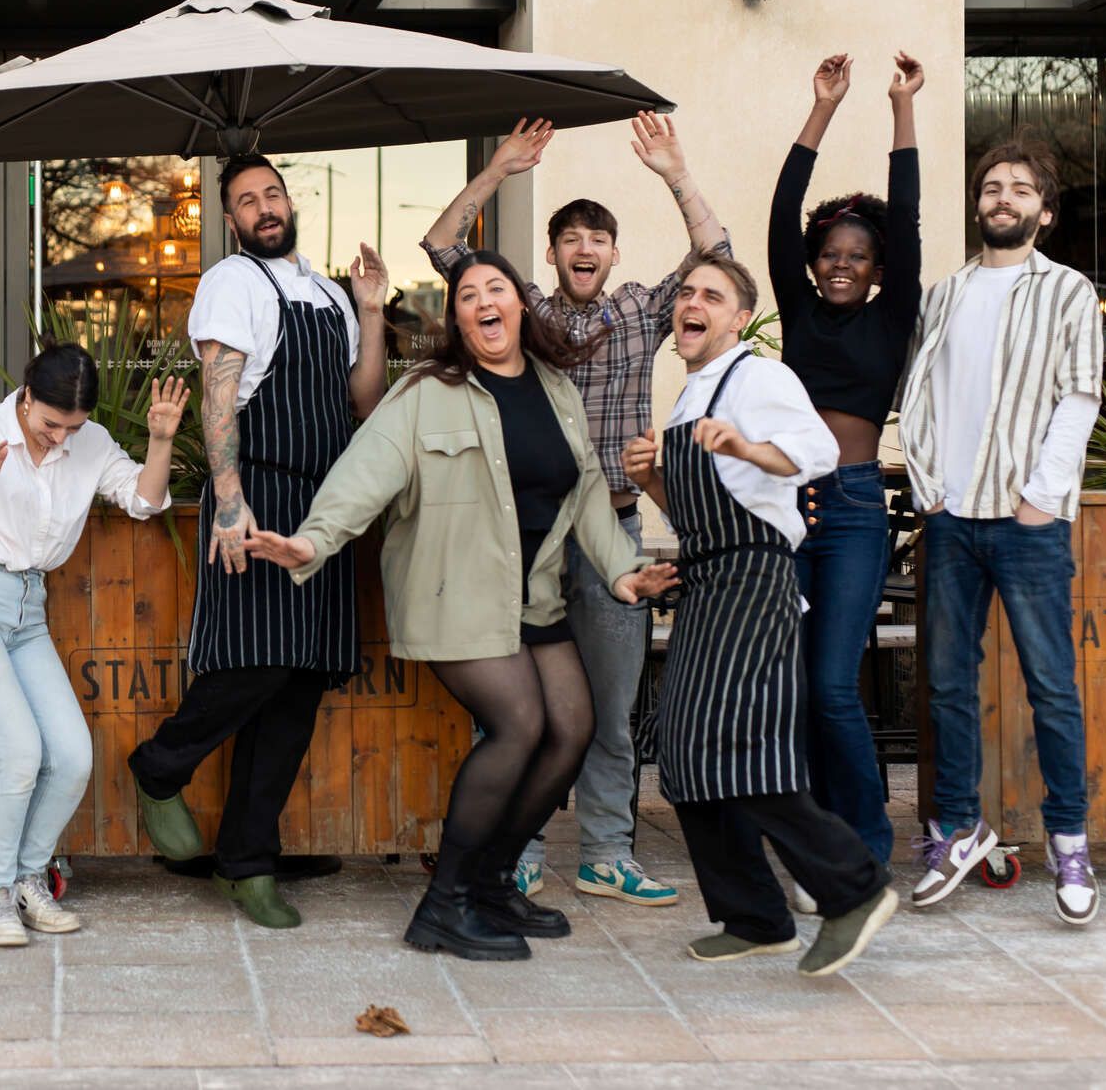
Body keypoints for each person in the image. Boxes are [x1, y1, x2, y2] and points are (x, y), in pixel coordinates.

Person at [247, 252, 676, 961]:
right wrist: (312, 540)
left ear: (519, 307)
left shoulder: (555, 385)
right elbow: (365, 468)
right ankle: (444, 903)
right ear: (458, 319)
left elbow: (588, 492)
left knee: (572, 728)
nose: (483, 301)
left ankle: (492, 881)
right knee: (520, 724)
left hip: (532, 594)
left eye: (496, 289)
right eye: (467, 294)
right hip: (455, 594)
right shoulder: (426, 390)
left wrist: (626, 572)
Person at [421, 111, 730, 907]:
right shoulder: (520, 308)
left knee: (611, 709)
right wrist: (498, 169)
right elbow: (442, 243)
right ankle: (515, 849)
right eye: (571, 239)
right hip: (527, 540)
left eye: (598, 239)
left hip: (614, 534)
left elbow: (719, 260)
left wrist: (675, 170)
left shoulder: (636, 312)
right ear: (553, 254)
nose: (585, 250)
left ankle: (603, 853)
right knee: (518, 710)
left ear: (614, 253)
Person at [128, 153, 388, 929]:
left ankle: (247, 862)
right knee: (257, 658)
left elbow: (364, 400)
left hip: (325, 502)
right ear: (232, 219)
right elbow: (220, 392)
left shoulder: (331, 295)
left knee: (301, 684)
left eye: (271, 193)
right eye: (246, 200)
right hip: (260, 490)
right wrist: (231, 502)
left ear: (288, 201)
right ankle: (160, 765)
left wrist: (371, 310)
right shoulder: (234, 282)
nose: (264, 207)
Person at [625, 252, 896, 976]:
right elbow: (697, 512)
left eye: (712, 294)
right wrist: (652, 481)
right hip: (709, 582)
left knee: (739, 747)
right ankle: (755, 917)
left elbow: (819, 450)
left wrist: (747, 443)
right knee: (682, 754)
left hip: (754, 582)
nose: (693, 301)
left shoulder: (759, 377)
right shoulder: (690, 396)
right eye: (685, 290)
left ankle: (856, 888)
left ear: (739, 318)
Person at [0, 348, 185, 946]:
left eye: (73, 427)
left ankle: (31, 878)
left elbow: (143, 501)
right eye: (50, 424)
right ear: (27, 396)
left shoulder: (89, 442)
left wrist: (161, 440)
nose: (61, 436)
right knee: (16, 750)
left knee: (71, 756)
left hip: (26, 609)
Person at [900, 134, 1102, 926]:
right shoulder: (944, 294)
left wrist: (1042, 495)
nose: (1004, 197)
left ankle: (1068, 837)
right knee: (947, 682)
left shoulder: (1070, 293)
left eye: (1021, 189)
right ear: (978, 202)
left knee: (1051, 684)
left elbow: (1078, 397)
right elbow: (919, 397)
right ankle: (958, 827)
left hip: (1026, 521)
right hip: (953, 519)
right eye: (993, 186)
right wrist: (931, 489)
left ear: (1044, 212)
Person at [767, 52, 924, 869]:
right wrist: (821, 107)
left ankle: (864, 841)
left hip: (857, 509)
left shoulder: (892, 315)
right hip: (786, 504)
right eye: (830, 251)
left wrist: (901, 109)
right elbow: (783, 211)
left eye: (858, 255)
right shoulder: (797, 308)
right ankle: (810, 835)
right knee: (792, 686)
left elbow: (908, 214)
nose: (840, 263)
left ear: (879, 270)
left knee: (832, 685)